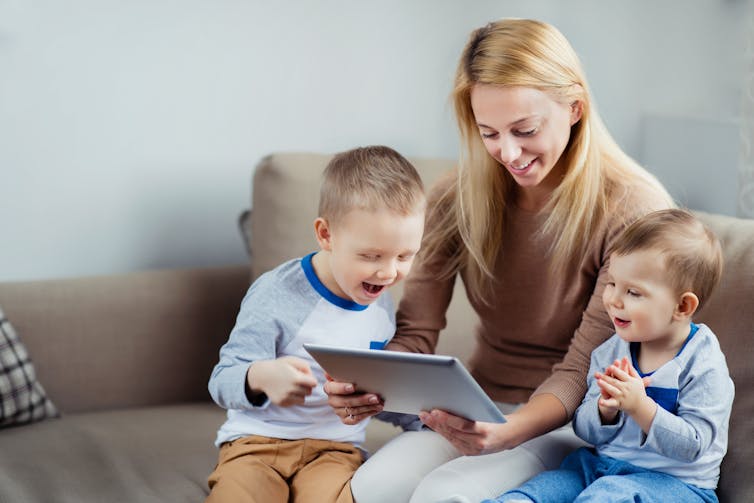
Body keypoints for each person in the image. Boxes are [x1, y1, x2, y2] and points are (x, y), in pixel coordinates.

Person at [324, 18, 675, 502]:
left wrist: (511, 430)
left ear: (574, 108)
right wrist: (372, 382)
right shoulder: (458, 196)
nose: (508, 153)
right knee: (372, 488)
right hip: (479, 402)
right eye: (489, 133)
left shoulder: (633, 211)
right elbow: (416, 335)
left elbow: (582, 370)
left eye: (525, 129)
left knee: (446, 496)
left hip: (577, 418)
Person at [205, 145, 427, 503]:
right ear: (326, 235)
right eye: (370, 256)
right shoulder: (277, 293)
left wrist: (431, 418)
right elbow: (222, 380)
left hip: (334, 451)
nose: (388, 272)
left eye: (404, 255)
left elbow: (378, 391)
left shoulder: (380, 305)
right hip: (256, 444)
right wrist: (261, 376)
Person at [487, 208, 733, 503]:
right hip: (601, 468)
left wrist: (640, 407)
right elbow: (586, 430)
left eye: (633, 292)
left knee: (606, 496)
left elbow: (694, 445)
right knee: (540, 490)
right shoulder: (611, 350)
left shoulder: (702, 363)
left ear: (682, 307)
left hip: (676, 486)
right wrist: (604, 411)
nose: (614, 300)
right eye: (612, 284)